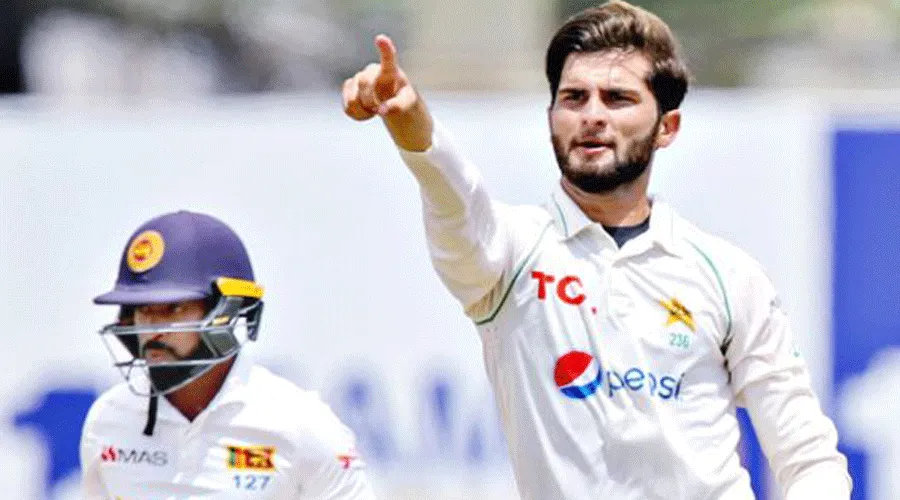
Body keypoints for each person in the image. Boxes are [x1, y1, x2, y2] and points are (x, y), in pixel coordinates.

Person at [341, 1, 851, 499]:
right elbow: (457, 203)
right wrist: (410, 124)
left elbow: (806, 453)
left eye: (617, 98)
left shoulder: (726, 273)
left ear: (667, 127)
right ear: (550, 117)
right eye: (574, 98)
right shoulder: (512, 252)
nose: (592, 116)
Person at [80, 211, 376, 499]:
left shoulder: (303, 426)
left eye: (174, 308)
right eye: (144, 310)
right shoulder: (108, 420)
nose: (155, 330)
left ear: (226, 311)